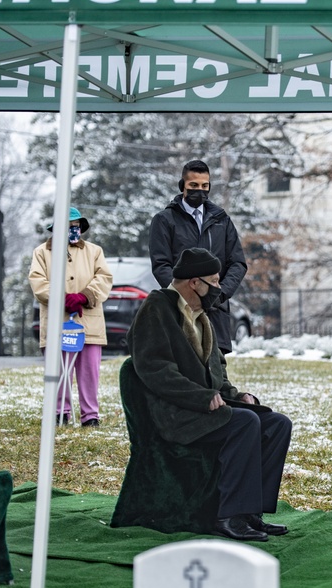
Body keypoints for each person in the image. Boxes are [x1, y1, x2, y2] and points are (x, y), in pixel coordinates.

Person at [123, 248, 290, 541]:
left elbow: (217, 376)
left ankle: (251, 513)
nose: (218, 288)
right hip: (176, 414)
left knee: (277, 424)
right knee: (244, 424)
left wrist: (239, 395)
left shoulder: (202, 317)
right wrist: (200, 397)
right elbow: (155, 369)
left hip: (202, 410)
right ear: (194, 282)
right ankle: (228, 517)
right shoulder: (157, 308)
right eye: (213, 281)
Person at [149, 159, 248, 355]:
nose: (200, 190)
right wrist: (186, 297)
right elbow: (161, 265)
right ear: (182, 186)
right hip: (181, 310)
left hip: (216, 311)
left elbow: (238, 263)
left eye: (205, 186)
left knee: (217, 375)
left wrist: (218, 295)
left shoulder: (222, 220)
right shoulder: (164, 220)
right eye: (193, 185)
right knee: (185, 368)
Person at [29, 207, 113, 427]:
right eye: (68, 227)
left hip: (89, 322)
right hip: (58, 321)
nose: (72, 231)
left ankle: (90, 415)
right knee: (58, 369)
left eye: (76, 227)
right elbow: (38, 282)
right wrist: (61, 297)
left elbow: (104, 277)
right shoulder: (42, 252)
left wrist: (85, 296)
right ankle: (59, 412)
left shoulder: (94, 251)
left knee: (89, 371)